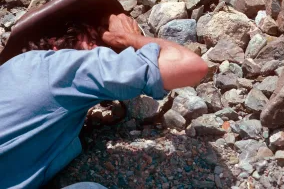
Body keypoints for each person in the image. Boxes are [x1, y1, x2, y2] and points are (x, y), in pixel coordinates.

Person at [0, 12, 208, 189]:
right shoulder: (55, 67)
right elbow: (190, 65)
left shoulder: (11, 74)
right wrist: (125, 39)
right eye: (94, 43)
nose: (107, 54)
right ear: (55, 45)